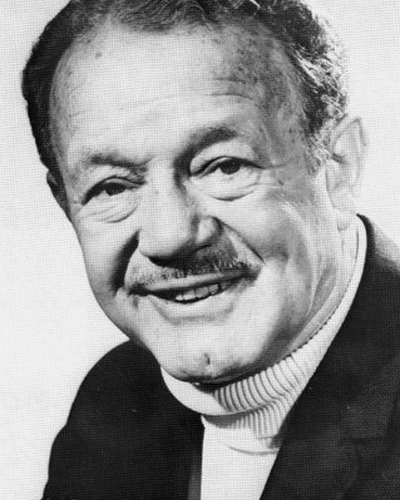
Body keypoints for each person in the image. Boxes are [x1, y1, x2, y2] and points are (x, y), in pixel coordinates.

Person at [22, 0, 400, 498]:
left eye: (224, 166)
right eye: (112, 188)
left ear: (336, 166)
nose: (169, 237)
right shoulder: (117, 401)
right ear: (66, 205)